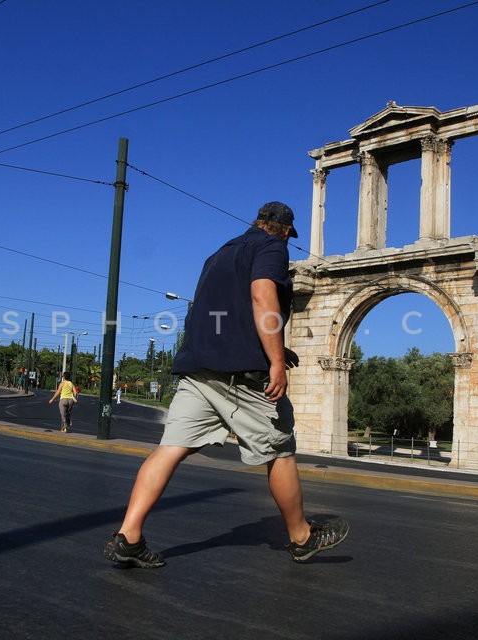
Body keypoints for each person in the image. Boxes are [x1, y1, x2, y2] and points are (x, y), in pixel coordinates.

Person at [104, 201, 349, 569]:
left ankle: (129, 536)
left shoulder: (219, 254)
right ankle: (302, 537)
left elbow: (225, 314)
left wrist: (277, 346)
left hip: (199, 370)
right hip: (242, 378)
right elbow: (262, 295)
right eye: (287, 234)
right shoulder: (271, 247)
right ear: (283, 229)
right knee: (280, 449)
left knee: (170, 448)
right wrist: (277, 363)